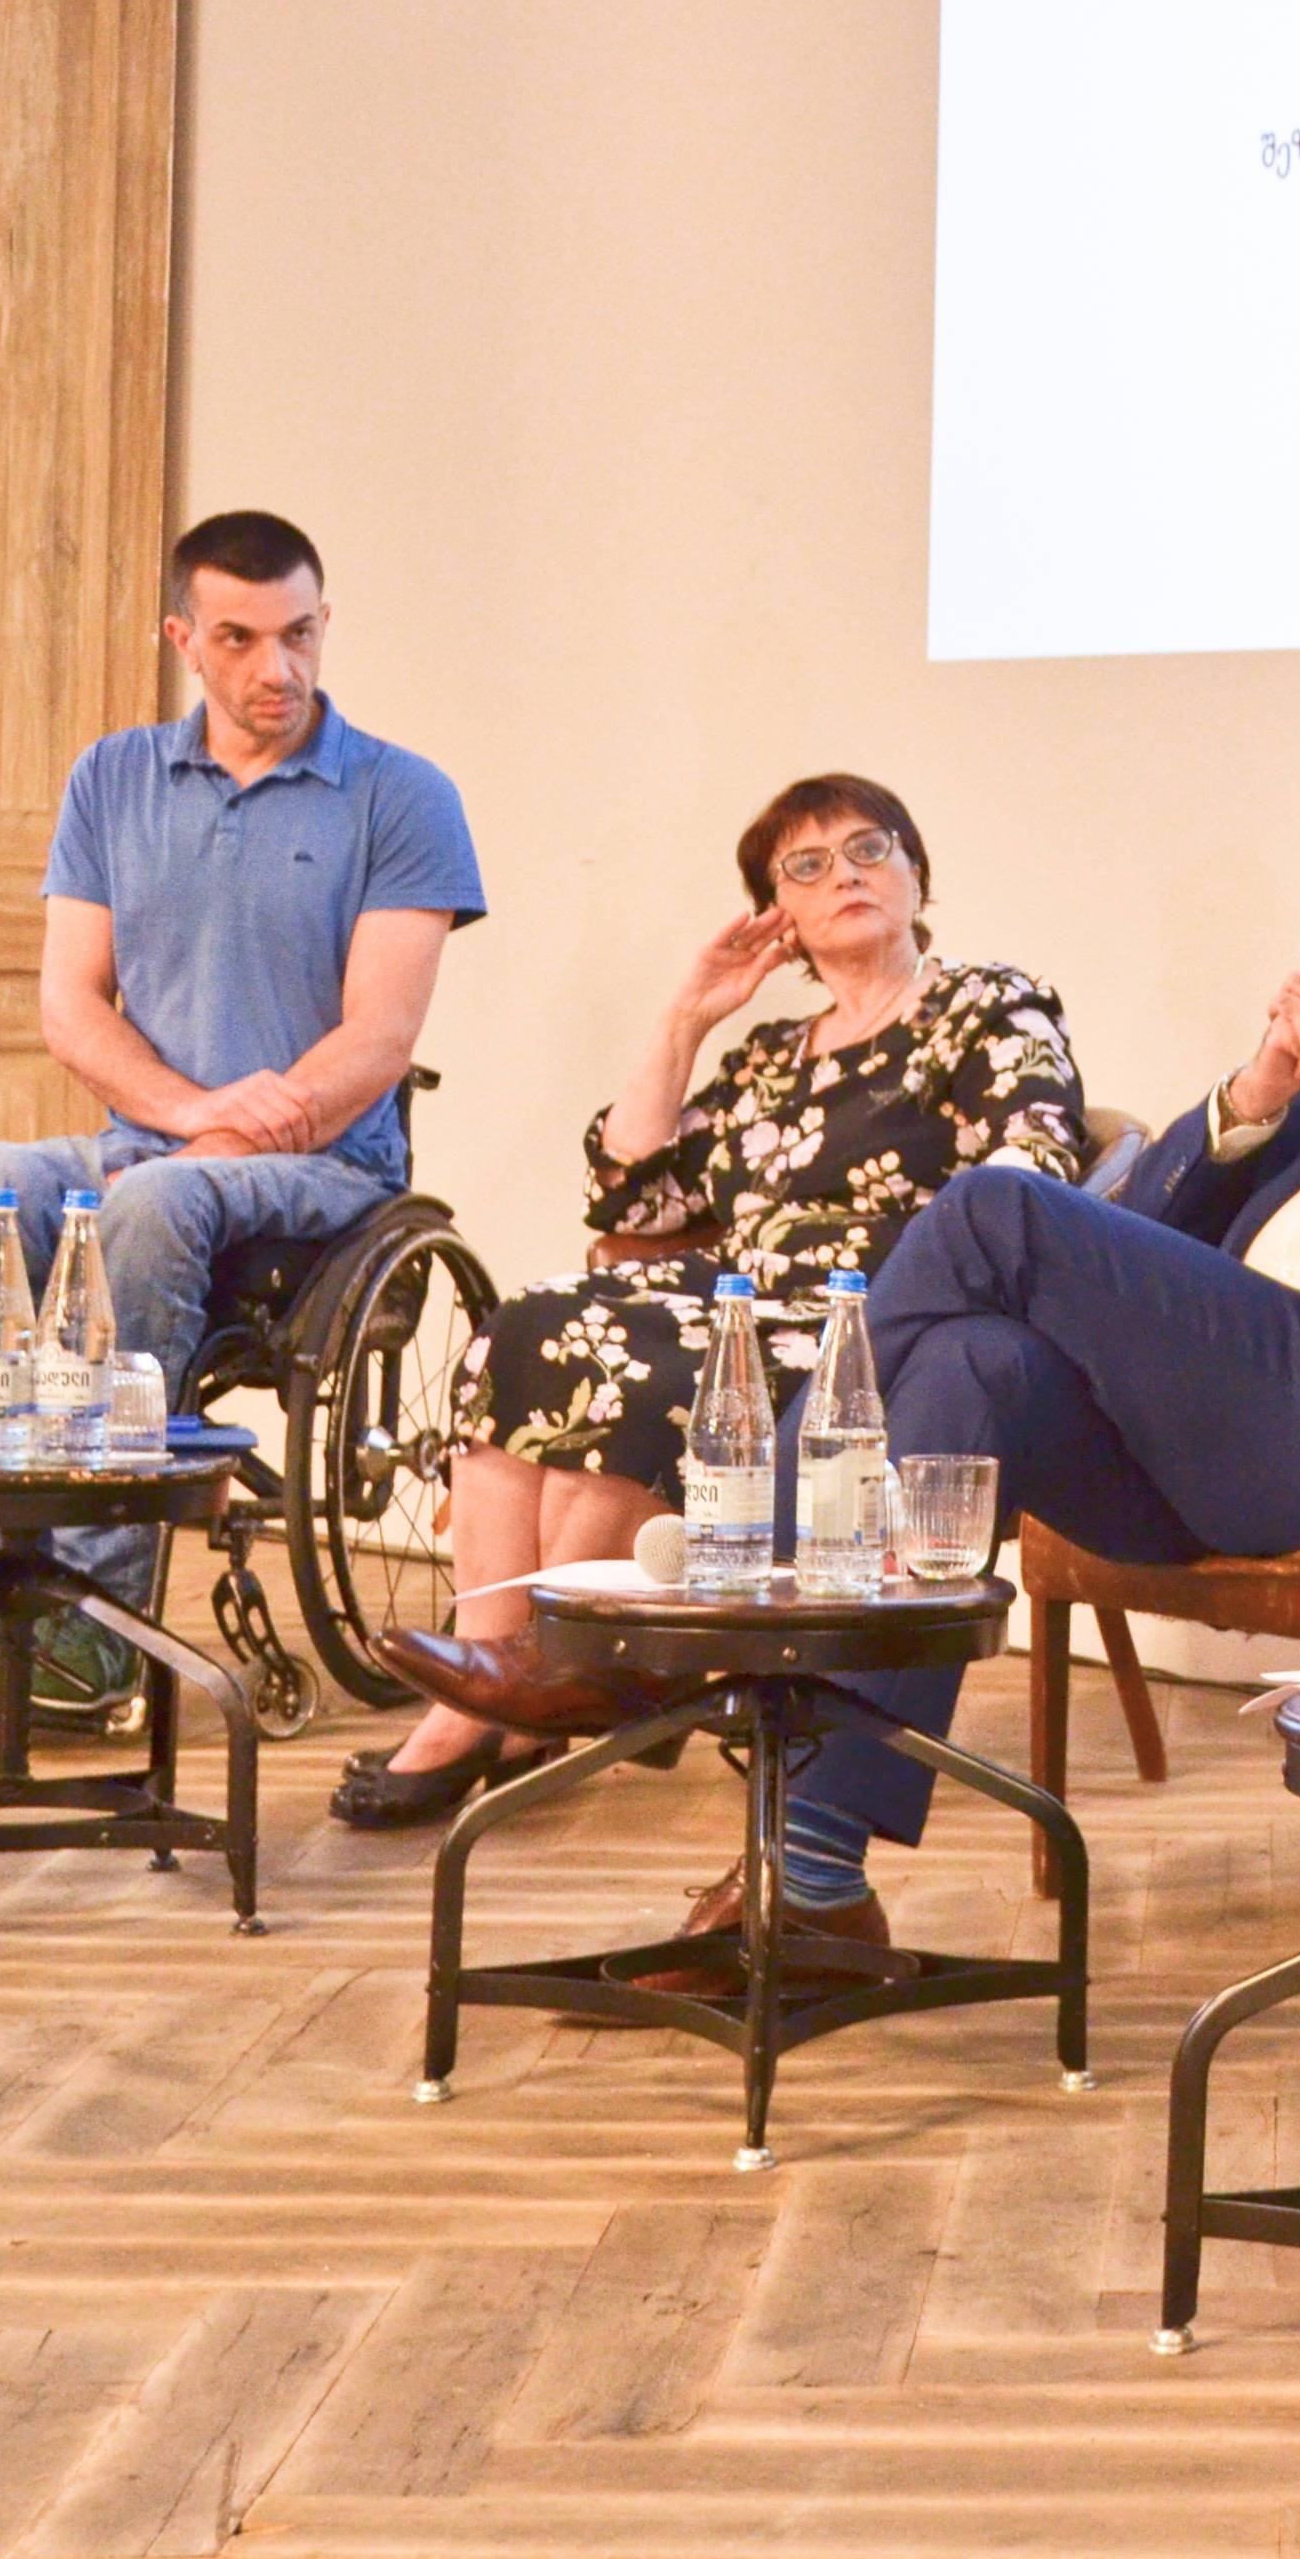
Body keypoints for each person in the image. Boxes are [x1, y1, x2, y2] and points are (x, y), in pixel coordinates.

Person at [441, 684, 1300, 1959]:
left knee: (994, 1207)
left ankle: (700, 1617)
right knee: (968, 1363)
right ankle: (816, 1875)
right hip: (1225, 1428)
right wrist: (1253, 1100)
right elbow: (1156, 1220)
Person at [335, 773, 1087, 1826]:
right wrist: (686, 1016)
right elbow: (632, 1197)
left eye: (870, 848)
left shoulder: (987, 1008)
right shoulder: (771, 1056)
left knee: (640, 1363)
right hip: (741, 1298)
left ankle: (556, 1679)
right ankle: (500, 1683)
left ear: (917, 872)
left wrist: (881, 1285)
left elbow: (1032, 1182)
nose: (846, 875)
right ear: (778, 917)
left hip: (878, 1323)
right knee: (528, 1327)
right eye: (808, 866)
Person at [0, 510, 484, 1716]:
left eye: (298, 634)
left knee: (154, 1200)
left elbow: (378, 1040)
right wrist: (188, 1116)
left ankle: (96, 1620)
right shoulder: (112, 777)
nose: (276, 667)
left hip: (325, 1168)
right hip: (153, 1139)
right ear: (183, 638)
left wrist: (207, 1144)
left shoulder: (400, 795)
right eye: (239, 638)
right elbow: (72, 1005)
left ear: (324, 624)